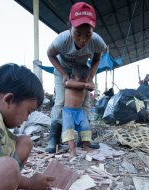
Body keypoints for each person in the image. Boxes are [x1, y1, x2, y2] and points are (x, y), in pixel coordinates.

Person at [45, 2, 107, 153]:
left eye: (88, 34)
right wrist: (64, 74)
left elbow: (97, 59)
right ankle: (54, 139)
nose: (82, 39)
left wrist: (91, 78)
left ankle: (83, 140)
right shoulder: (62, 39)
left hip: (82, 73)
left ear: (93, 30)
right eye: (78, 33)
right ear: (70, 28)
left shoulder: (97, 42)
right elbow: (50, 55)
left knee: (84, 103)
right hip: (62, 70)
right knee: (60, 102)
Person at [62, 64, 94, 157]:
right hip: (68, 111)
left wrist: (89, 84)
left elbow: (92, 86)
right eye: (80, 81)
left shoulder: (85, 84)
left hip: (79, 111)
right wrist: (85, 84)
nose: (82, 83)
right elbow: (68, 83)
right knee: (68, 129)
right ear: (73, 77)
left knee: (86, 127)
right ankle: (72, 150)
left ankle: (86, 146)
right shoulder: (70, 82)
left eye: (84, 81)